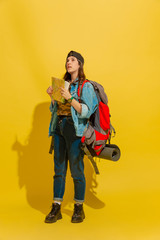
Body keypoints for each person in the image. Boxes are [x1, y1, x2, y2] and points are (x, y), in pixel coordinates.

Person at [45, 50, 98, 223]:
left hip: (75, 131)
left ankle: (78, 208)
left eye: (73, 60)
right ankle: (56, 207)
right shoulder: (63, 84)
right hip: (59, 128)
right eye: (67, 60)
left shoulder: (86, 86)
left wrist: (70, 99)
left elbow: (87, 111)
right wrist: (53, 98)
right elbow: (55, 111)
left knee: (76, 171)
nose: (69, 62)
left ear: (79, 64)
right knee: (59, 170)